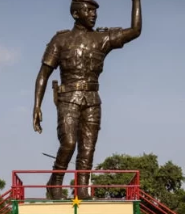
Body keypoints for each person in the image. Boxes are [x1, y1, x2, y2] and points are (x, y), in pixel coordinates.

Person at [32, 0, 142, 199]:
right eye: (89, 10)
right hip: (68, 98)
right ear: (75, 14)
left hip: (92, 99)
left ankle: (81, 189)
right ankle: (55, 184)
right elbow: (43, 74)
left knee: (88, 147)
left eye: (95, 10)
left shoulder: (102, 38)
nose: (94, 14)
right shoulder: (60, 40)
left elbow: (135, 30)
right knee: (69, 143)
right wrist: (36, 105)